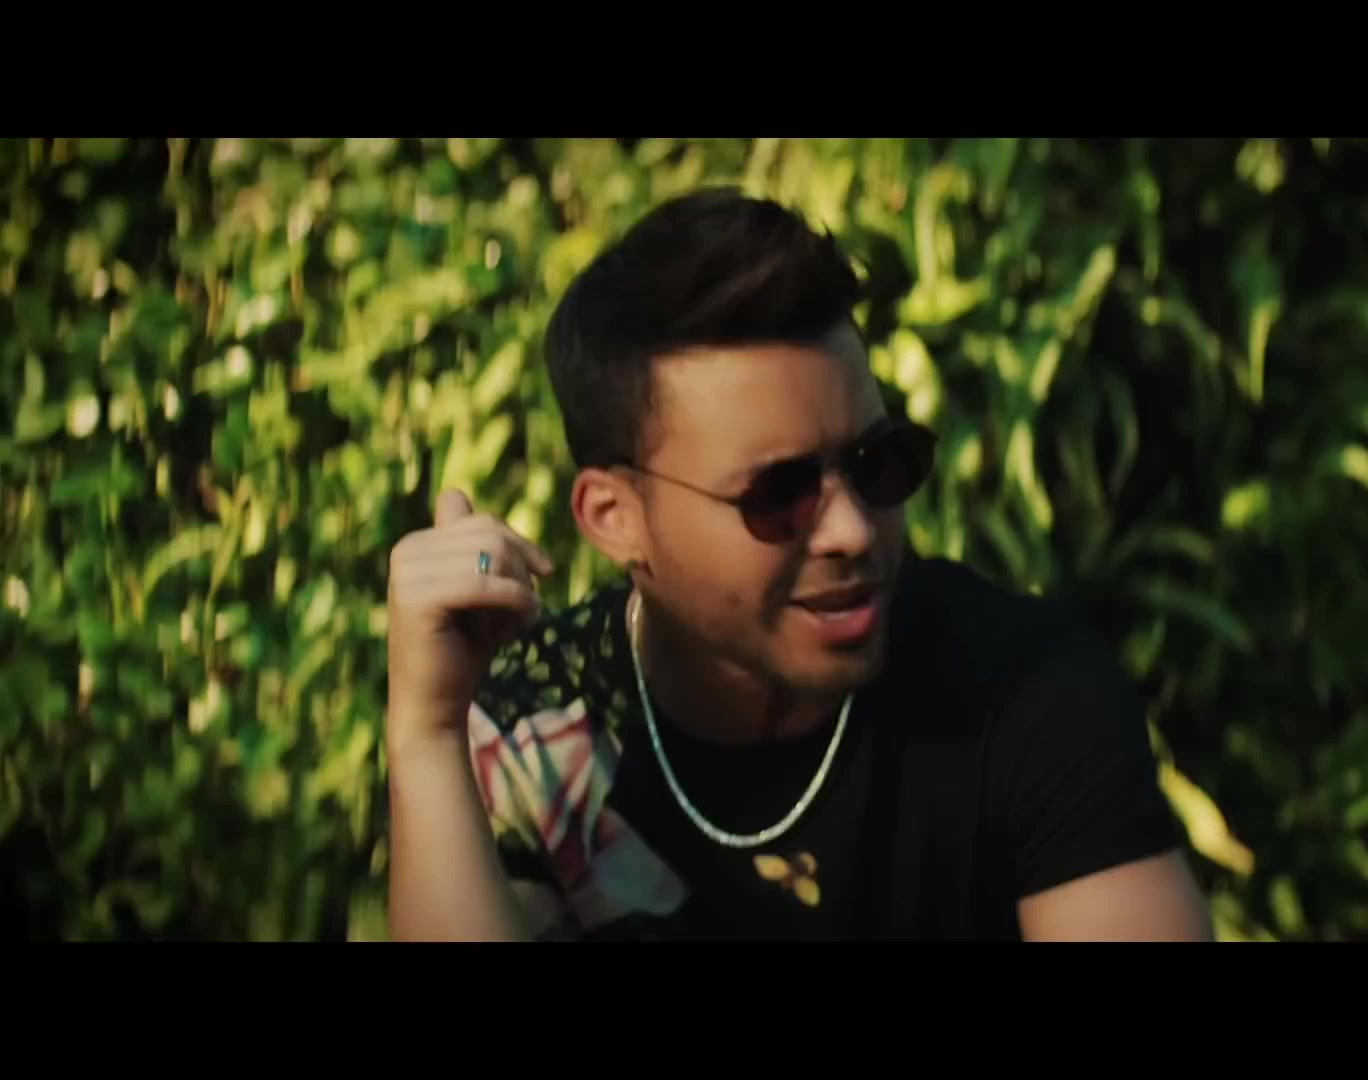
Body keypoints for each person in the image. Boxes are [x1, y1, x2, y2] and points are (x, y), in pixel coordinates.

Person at [381, 187, 1212, 941]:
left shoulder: (1020, 692)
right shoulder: (536, 737)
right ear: (615, 518)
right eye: (778, 493)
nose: (852, 530)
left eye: (877, 462)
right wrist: (425, 734)